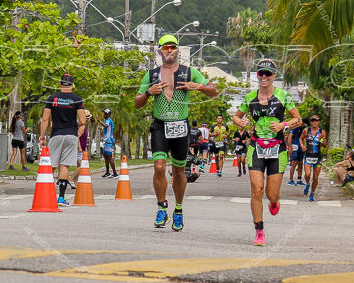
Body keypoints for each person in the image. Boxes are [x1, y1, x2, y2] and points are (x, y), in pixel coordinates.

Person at [134, 34, 218, 231]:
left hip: (180, 126)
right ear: (159, 51)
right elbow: (137, 103)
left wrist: (197, 86)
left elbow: (214, 90)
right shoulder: (152, 75)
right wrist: (148, 92)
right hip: (160, 126)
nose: (169, 50)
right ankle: (161, 207)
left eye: (172, 47)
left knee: (180, 171)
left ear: (178, 50)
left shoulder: (188, 72)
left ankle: (178, 210)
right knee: (159, 167)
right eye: (165, 47)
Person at [232, 58, 302, 246]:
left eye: (268, 74)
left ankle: (274, 201)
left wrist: (283, 124)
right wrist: (241, 122)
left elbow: (298, 119)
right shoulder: (250, 98)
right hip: (256, 147)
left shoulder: (282, 96)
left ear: (274, 76)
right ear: (257, 75)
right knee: (256, 189)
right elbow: (236, 116)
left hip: (277, 149)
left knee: (271, 194)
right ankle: (259, 230)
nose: (264, 77)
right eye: (261, 73)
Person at [40, 73, 87, 206]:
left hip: (56, 135)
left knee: (51, 165)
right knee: (64, 165)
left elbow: (45, 119)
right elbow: (83, 120)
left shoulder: (52, 98)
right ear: (72, 85)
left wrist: (42, 137)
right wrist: (74, 125)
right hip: (71, 135)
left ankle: (45, 195)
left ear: (60, 84)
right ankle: (61, 197)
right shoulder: (77, 99)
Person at [302, 115, 327, 202]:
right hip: (308, 155)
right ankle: (307, 184)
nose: (314, 122)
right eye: (312, 120)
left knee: (315, 178)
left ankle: (312, 194)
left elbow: (325, 145)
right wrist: (302, 145)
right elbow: (300, 139)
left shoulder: (322, 132)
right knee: (308, 174)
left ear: (319, 122)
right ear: (310, 122)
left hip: (317, 157)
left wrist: (321, 140)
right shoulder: (306, 130)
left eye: (316, 121)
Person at [101, 108, 118, 178]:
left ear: (108, 115)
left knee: (110, 157)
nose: (104, 114)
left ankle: (115, 173)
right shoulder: (107, 121)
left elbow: (106, 126)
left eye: (105, 114)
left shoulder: (108, 121)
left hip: (109, 140)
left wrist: (99, 121)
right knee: (105, 156)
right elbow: (106, 128)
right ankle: (107, 172)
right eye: (104, 113)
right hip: (107, 140)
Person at [287, 121, 305, 186]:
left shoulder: (304, 129)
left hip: (301, 147)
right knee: (294, 163)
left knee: (300, 163)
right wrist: (290, 147)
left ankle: (299, 179)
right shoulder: (295, 127)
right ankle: (290, 180)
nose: (304, 125)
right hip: (294, 146)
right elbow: (290, 137)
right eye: (303, 124)